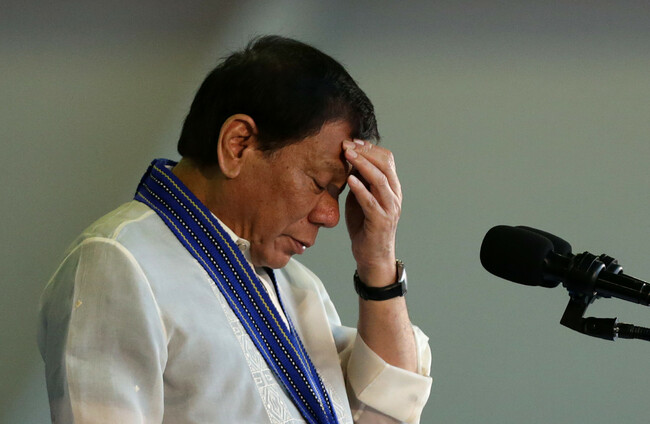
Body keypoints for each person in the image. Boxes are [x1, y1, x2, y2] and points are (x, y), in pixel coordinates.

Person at [38, 35, 432, 424]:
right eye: (319, 183)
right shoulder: (118, 262)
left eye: (338, 192)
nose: (331, 216)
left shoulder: (297, 287)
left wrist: (377, 264)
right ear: (238, 144)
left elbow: (386, 413)